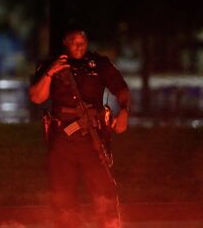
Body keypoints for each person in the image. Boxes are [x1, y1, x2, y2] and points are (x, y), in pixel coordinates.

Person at [29, 30, 130, 228]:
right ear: (65, 42)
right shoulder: (51, 64)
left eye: (82, 41)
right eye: (74, 42)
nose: (79, 46)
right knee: (62, 196)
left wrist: (124, 111)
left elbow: (121, 89)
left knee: (104, 193)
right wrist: (52, 71)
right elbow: (37, 97)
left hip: (93, 139)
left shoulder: (99, 64)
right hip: (62, 141)